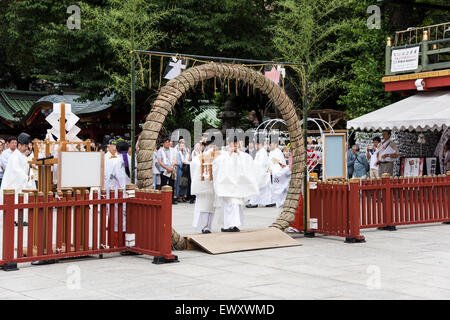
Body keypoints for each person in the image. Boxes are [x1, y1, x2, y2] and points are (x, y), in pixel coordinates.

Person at [213, 137, 260, 232]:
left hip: (237, 185)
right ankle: (228, 225)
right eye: (233, 143)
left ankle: (233, 224)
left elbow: (248, 163)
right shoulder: (224, 154)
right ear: (229, 143)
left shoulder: (241, 155)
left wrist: (240, 155)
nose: (235, 145)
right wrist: (228, 154)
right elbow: (217, 164)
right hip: (226, 184)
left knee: (237, 205)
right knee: (230, 205)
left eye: (236, 143)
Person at [190, 138, 218, 233]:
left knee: (211, 207)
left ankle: (208, 226)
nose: (213, 148)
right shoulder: (199, 157)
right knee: (203, 207)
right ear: (207, 147)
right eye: (212, 146)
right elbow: (194, 169)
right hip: (203, 185)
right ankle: (204, 226)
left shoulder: (216, 157)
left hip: (211, 185)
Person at [247, 137, 272, 208]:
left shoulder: (262, 152)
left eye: (255, 144)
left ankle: (254, 202)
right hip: (259, 172)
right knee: (264, 190)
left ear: (259, 144)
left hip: (261, 173)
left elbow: (260, 164)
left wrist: (252, 163)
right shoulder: (260, 152)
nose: (255, 146)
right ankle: (268, 201)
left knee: (256, 187)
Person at [157, 138, 178, 204]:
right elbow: (160, 162)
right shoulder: (160, 151)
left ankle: (171, 200)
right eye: (166, 142)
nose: (167, 143)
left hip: (171, 169)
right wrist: (167, 168)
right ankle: (163, 199)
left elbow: (174, 159)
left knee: (172, 185)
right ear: (163, 143)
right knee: (163, 185)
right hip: (164, 170)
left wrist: (171, 167)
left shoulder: (172, 150)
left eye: (168, 142)